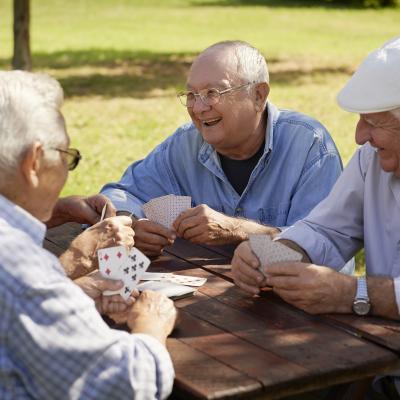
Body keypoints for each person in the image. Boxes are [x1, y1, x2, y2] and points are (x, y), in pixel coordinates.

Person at [231, 37, 400, 398]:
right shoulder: (373, 159)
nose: (359, 137)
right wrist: (276, 251)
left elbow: (350, 291)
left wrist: (354, 294)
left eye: (373, 121)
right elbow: (328, 227)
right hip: (378, 368)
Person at [0, 70, 176, 399]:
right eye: (68, 157)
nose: (67, 172)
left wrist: (72, 294)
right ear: (34, 162)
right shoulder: (19, 267)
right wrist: (152, 322)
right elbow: (126, 384)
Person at [101, 40, 344, 258]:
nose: (197, 108)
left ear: (258, 95)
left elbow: (321, 251)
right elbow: (119, 194)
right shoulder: (185, 144)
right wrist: (132, 224)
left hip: (287, 302)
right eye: (192, 94)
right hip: (207, 301)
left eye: (212, 93)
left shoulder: (310, 146)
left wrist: (238, 231)